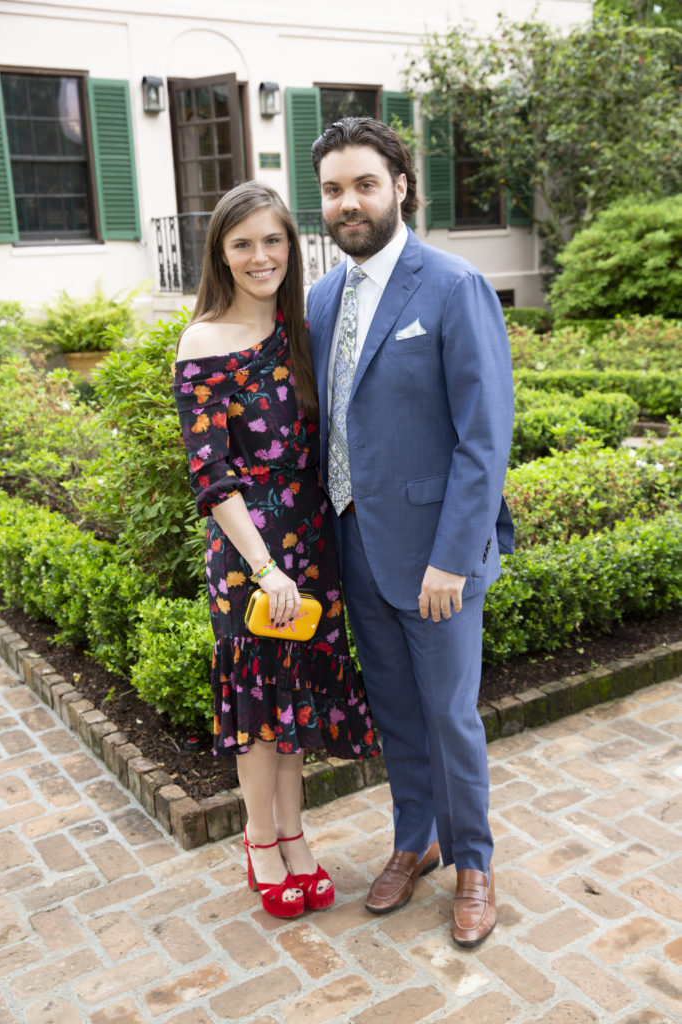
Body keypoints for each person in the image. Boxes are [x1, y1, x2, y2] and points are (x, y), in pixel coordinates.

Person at [306, 118, 514, 947]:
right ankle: (414, 839)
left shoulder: (453, 285)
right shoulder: (322, 299)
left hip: (436, 558)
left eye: (363, 184)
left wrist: (453, 558)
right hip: (354, 544)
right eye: (332, 189)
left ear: (399, 186)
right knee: (394, 710)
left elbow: (482, 438)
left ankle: (474, 865)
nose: (347, 203)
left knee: (449, 716)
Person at [173, 181, 379, 920]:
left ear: (290, 246)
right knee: (260, 704)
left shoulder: (303, 328)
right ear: (220, 254)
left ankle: (295, 833)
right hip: (248, 553)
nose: (260, 256)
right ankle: (260, 840)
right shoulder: (202, 341)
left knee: (293, 701)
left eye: (272, 240)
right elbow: (210, 475)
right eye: (242, 244)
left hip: (312, 540)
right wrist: (264, 568)